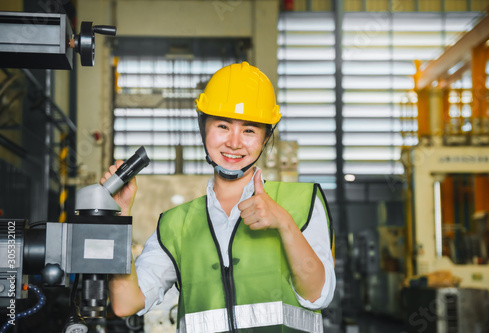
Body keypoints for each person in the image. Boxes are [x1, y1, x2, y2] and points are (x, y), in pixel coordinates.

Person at [102, 62, 335, 332]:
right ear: (204, 128)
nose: (234, 142)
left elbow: (319, 294)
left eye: (249, 130)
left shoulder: (301, 202)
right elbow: (125, 302)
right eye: (223, 126)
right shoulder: (176, 225)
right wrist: (118, 219)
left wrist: (284, 223)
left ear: (266, 137)